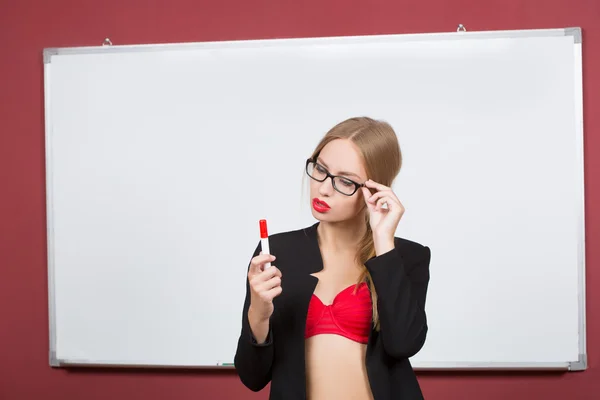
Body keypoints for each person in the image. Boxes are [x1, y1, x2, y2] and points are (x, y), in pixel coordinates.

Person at [234, 116, 432, 400]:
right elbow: (252, 377)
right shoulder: (275, 252)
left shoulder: (406, 257)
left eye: (344, 181)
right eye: (321, 170)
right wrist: (258, 314)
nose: (324, 189)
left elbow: (404, 344)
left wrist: (384, 243)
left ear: (375, 189)